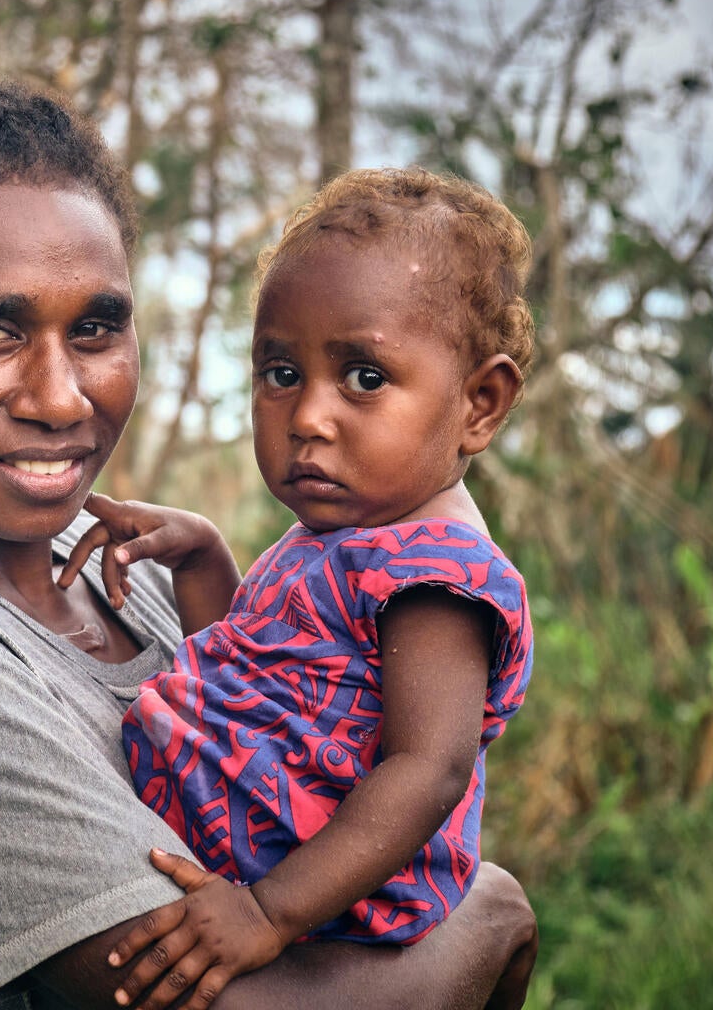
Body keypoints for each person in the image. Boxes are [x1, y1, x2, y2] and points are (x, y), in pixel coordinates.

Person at [0, 69, 538, 1010]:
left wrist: (203, 564)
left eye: (95, 329)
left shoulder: (125, 571)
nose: (59, 398)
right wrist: (493, 918)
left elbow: (280, 708)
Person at [57, 167, 536, 1009]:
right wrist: (204, 559)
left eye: (365, 378)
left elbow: (429, 770)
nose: (308, 416)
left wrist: (270, 912)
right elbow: (256, 683)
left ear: (480, 404)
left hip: (325, 906)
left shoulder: (437, 576)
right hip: (262, 878)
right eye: (280, 373)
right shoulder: (339, 536)